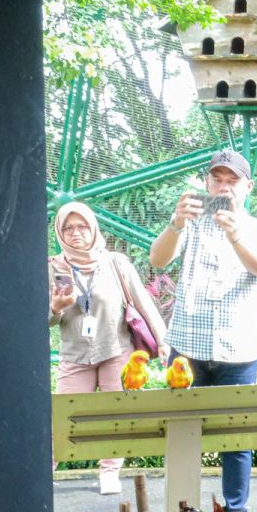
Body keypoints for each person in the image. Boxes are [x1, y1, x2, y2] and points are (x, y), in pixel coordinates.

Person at [149, 149, 257, 512]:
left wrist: (234, 232)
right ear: (206, 183)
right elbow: (158, 260)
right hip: (187, 346)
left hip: (238, 346)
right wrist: (175, 224)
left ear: (247, 186)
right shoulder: (189, 223)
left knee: (236, 438)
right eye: (216, 179)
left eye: (232, 180)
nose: (223, 187)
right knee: (181, 432)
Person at [50, 203, 167, 494]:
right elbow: (41, 318)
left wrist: (163, 341)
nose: (76, 233)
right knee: (65, 415)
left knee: (118, 414)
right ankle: (44, 469)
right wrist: (55, 307)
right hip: (75, 354)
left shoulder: (115, 263)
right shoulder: (53, 267)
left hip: (116, 349)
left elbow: (144, 304)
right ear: (60, 232)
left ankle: (109, 472)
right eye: (69, 228)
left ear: (93, 229)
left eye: (82, 226)